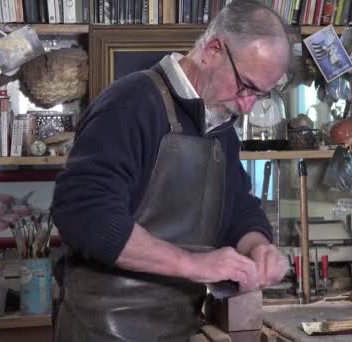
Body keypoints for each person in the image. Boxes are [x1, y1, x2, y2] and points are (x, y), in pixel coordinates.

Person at [51, 1, 292, 341]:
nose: (247, 105)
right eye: (245, 86)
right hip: (103, 328)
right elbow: (86, 214)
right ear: (213, 50)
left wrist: (257, 246)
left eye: (259, 95)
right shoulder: (131, 103)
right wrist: (194, 265)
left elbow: (236, 206)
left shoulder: (220, 123)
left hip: (180, 325)